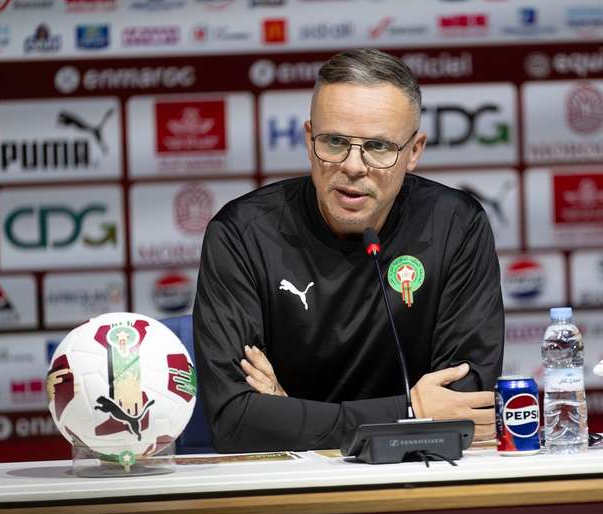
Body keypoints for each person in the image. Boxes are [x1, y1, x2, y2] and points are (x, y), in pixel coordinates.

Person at [193, 49, 504, 453]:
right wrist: (411, 411)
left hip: (419, 473)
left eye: (378, 146)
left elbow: (464, 405)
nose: (353, 166)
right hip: (289, 479)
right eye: (335, 141)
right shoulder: (241, 234)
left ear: (414, 151)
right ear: (309, 140)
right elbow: (235, 421)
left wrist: (290, 414)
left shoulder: (455, 226)